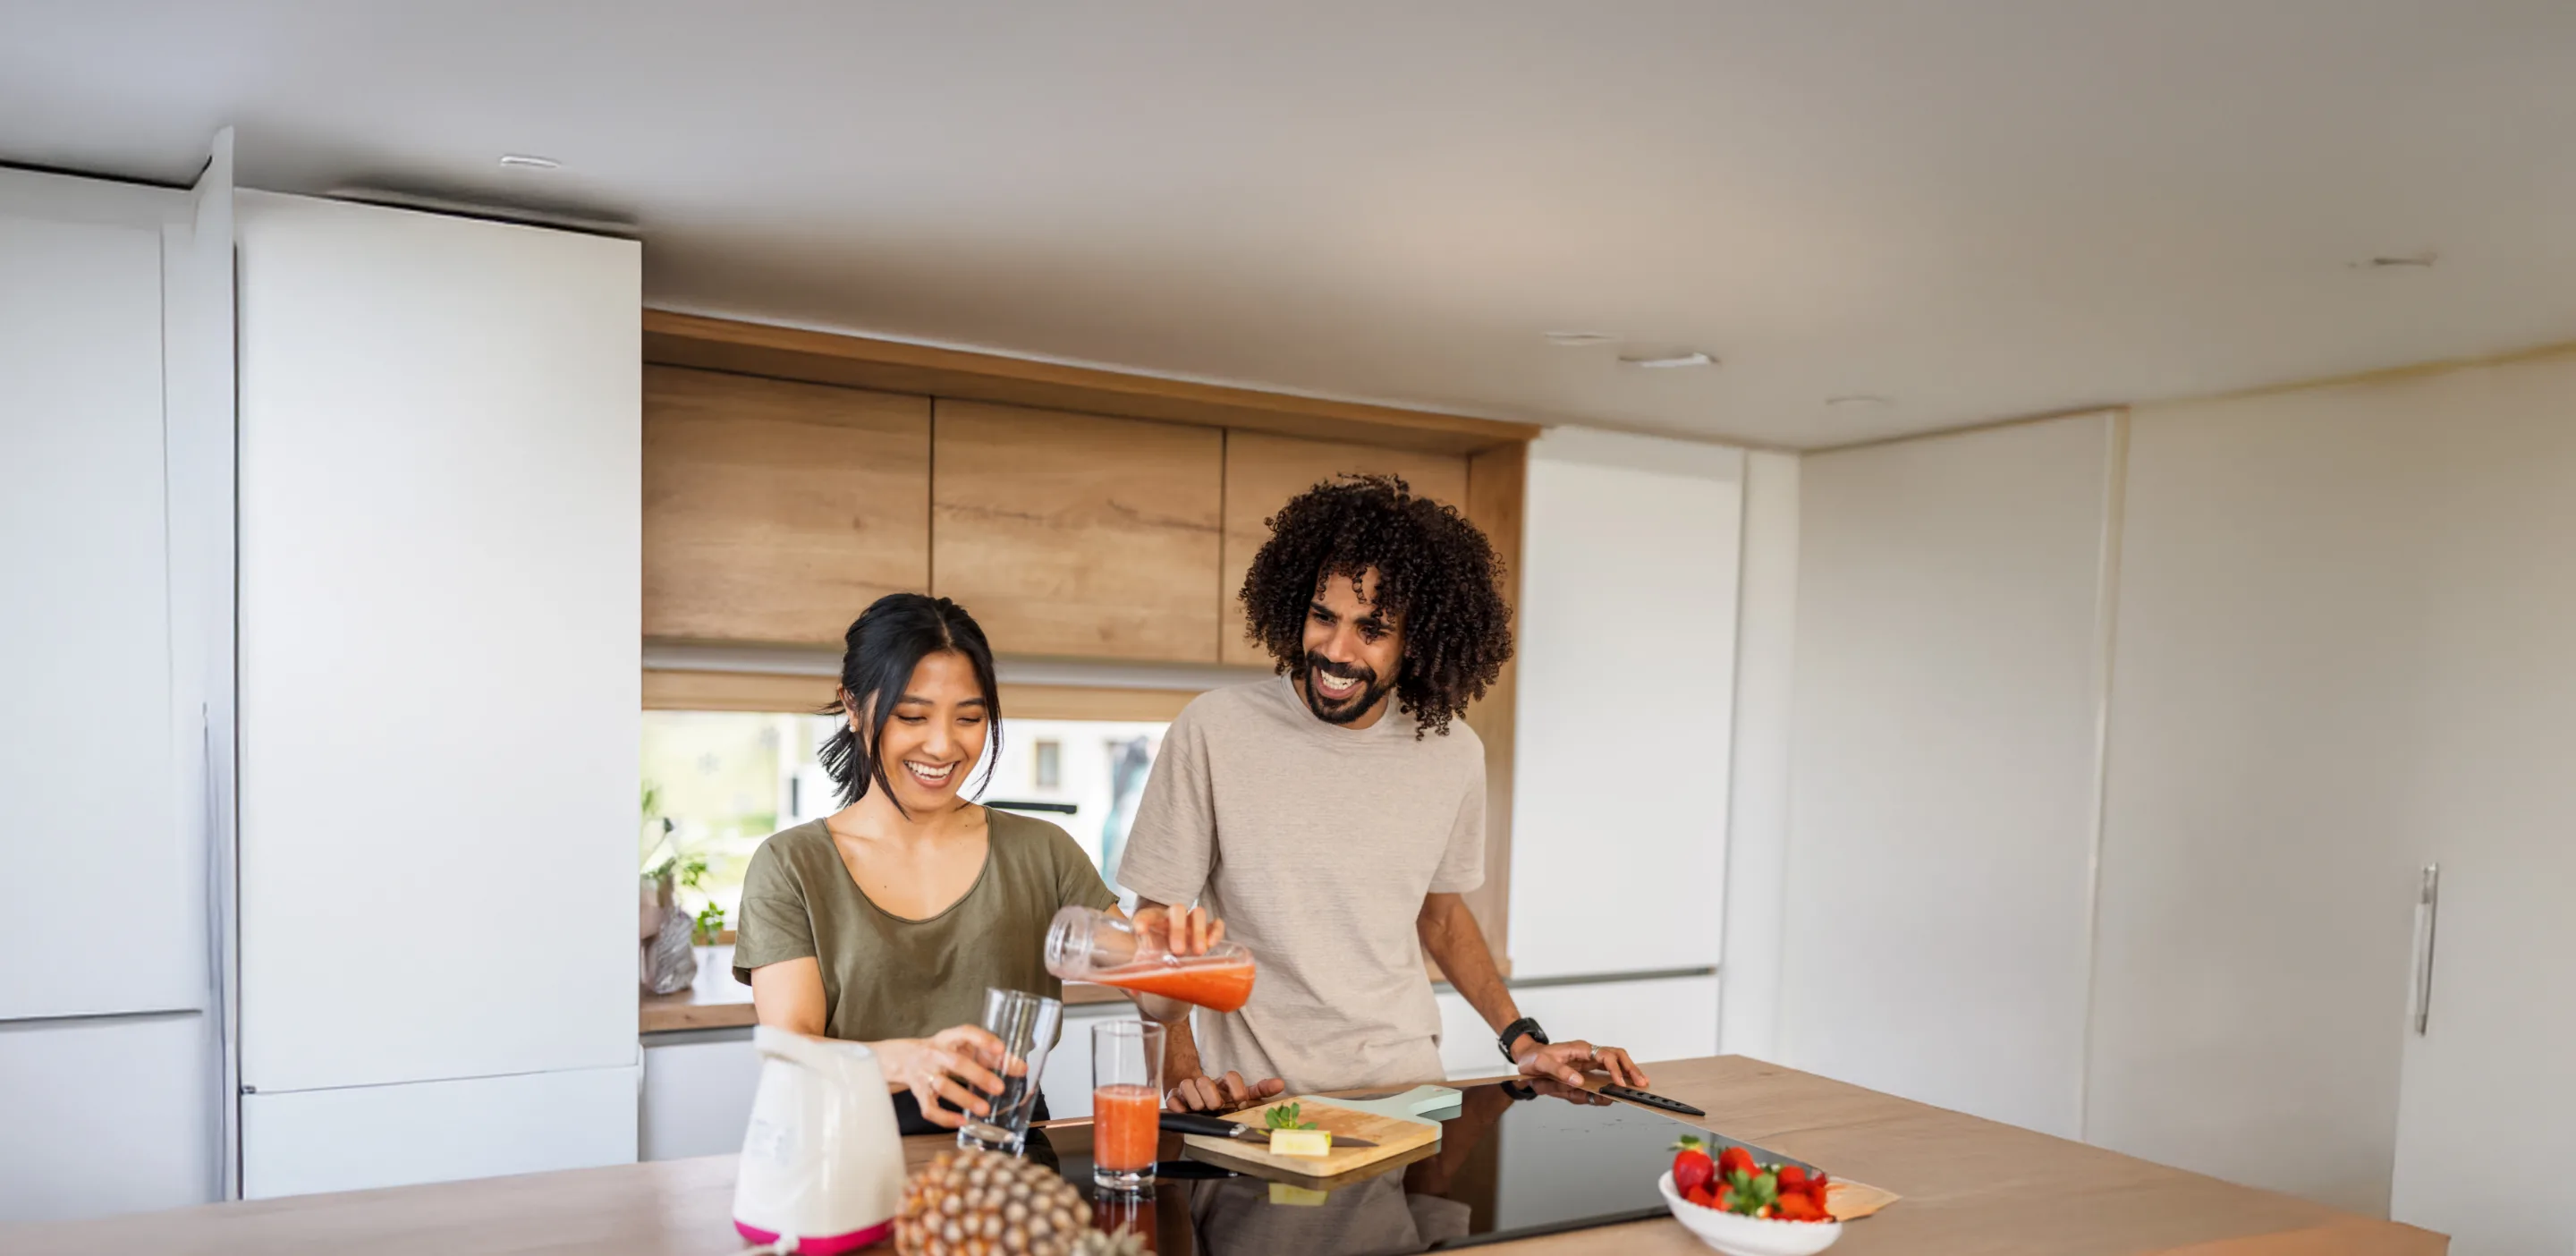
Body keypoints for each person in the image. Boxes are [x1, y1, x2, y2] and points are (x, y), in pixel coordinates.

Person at [1119, 474, 1651, 1111]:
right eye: (1323, 617)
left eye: (1371, 629)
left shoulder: (1453, 754)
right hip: (1258, 1100)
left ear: (1416, 642)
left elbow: (1442, 914)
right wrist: (1186, 1076)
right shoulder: (1214, 730)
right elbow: (1158, 927)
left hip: (1408, 1093)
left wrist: (1522, 1040)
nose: (1335, 651)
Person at [733, 592, 1222, 1133]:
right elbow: (792, 1052)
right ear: (852, 706)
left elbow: (1155, 1001)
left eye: (968, 718)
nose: (942, 746)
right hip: (845, 1157)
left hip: (1007, 1157)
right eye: (912, 716)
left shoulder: (1042, 853)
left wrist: (1177, 970)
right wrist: (913, 1061)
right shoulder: (791, 865)